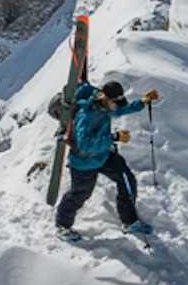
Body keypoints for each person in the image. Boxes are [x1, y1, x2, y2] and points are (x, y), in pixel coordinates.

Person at [55, 81, 159, 240]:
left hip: (102, 155)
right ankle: (63, 226)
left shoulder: (104, 106)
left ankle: (129, 222)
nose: (115, 106)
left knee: (126, 178)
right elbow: (84, 145)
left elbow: (120, 110)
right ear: (105, 97)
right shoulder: (86, 115)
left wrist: (142, 102)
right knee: (80, 194)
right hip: (84, 161)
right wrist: (113, 137)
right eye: (114, 103)